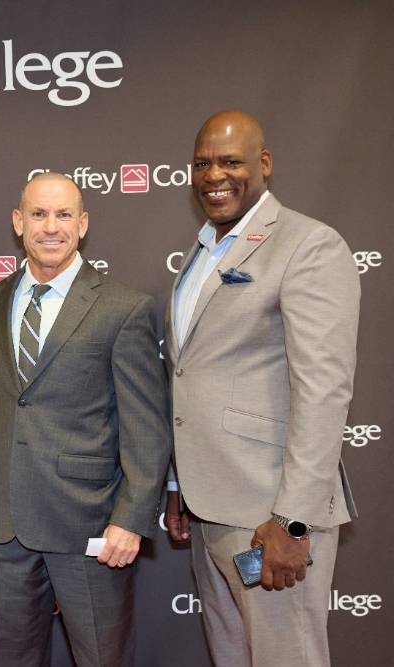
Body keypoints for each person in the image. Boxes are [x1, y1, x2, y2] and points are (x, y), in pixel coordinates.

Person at [164, 110, 360, 666]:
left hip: (269, 517)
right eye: (202, 164)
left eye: (230, 161)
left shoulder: (307, 245)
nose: (213, 175)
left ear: (264, 164)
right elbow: (193, 376)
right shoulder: (204, 251)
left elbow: (323, 391)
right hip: (212, 509)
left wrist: (293, 520)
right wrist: (179, 481)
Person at [0, 173, 171, 666]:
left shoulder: (124, 308)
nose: (51, 227)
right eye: (38, 214)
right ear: (18, 222)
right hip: (6, 523)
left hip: (90, 524)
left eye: (64, 215)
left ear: (83, 225)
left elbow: (146, 425)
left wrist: (130, 519)